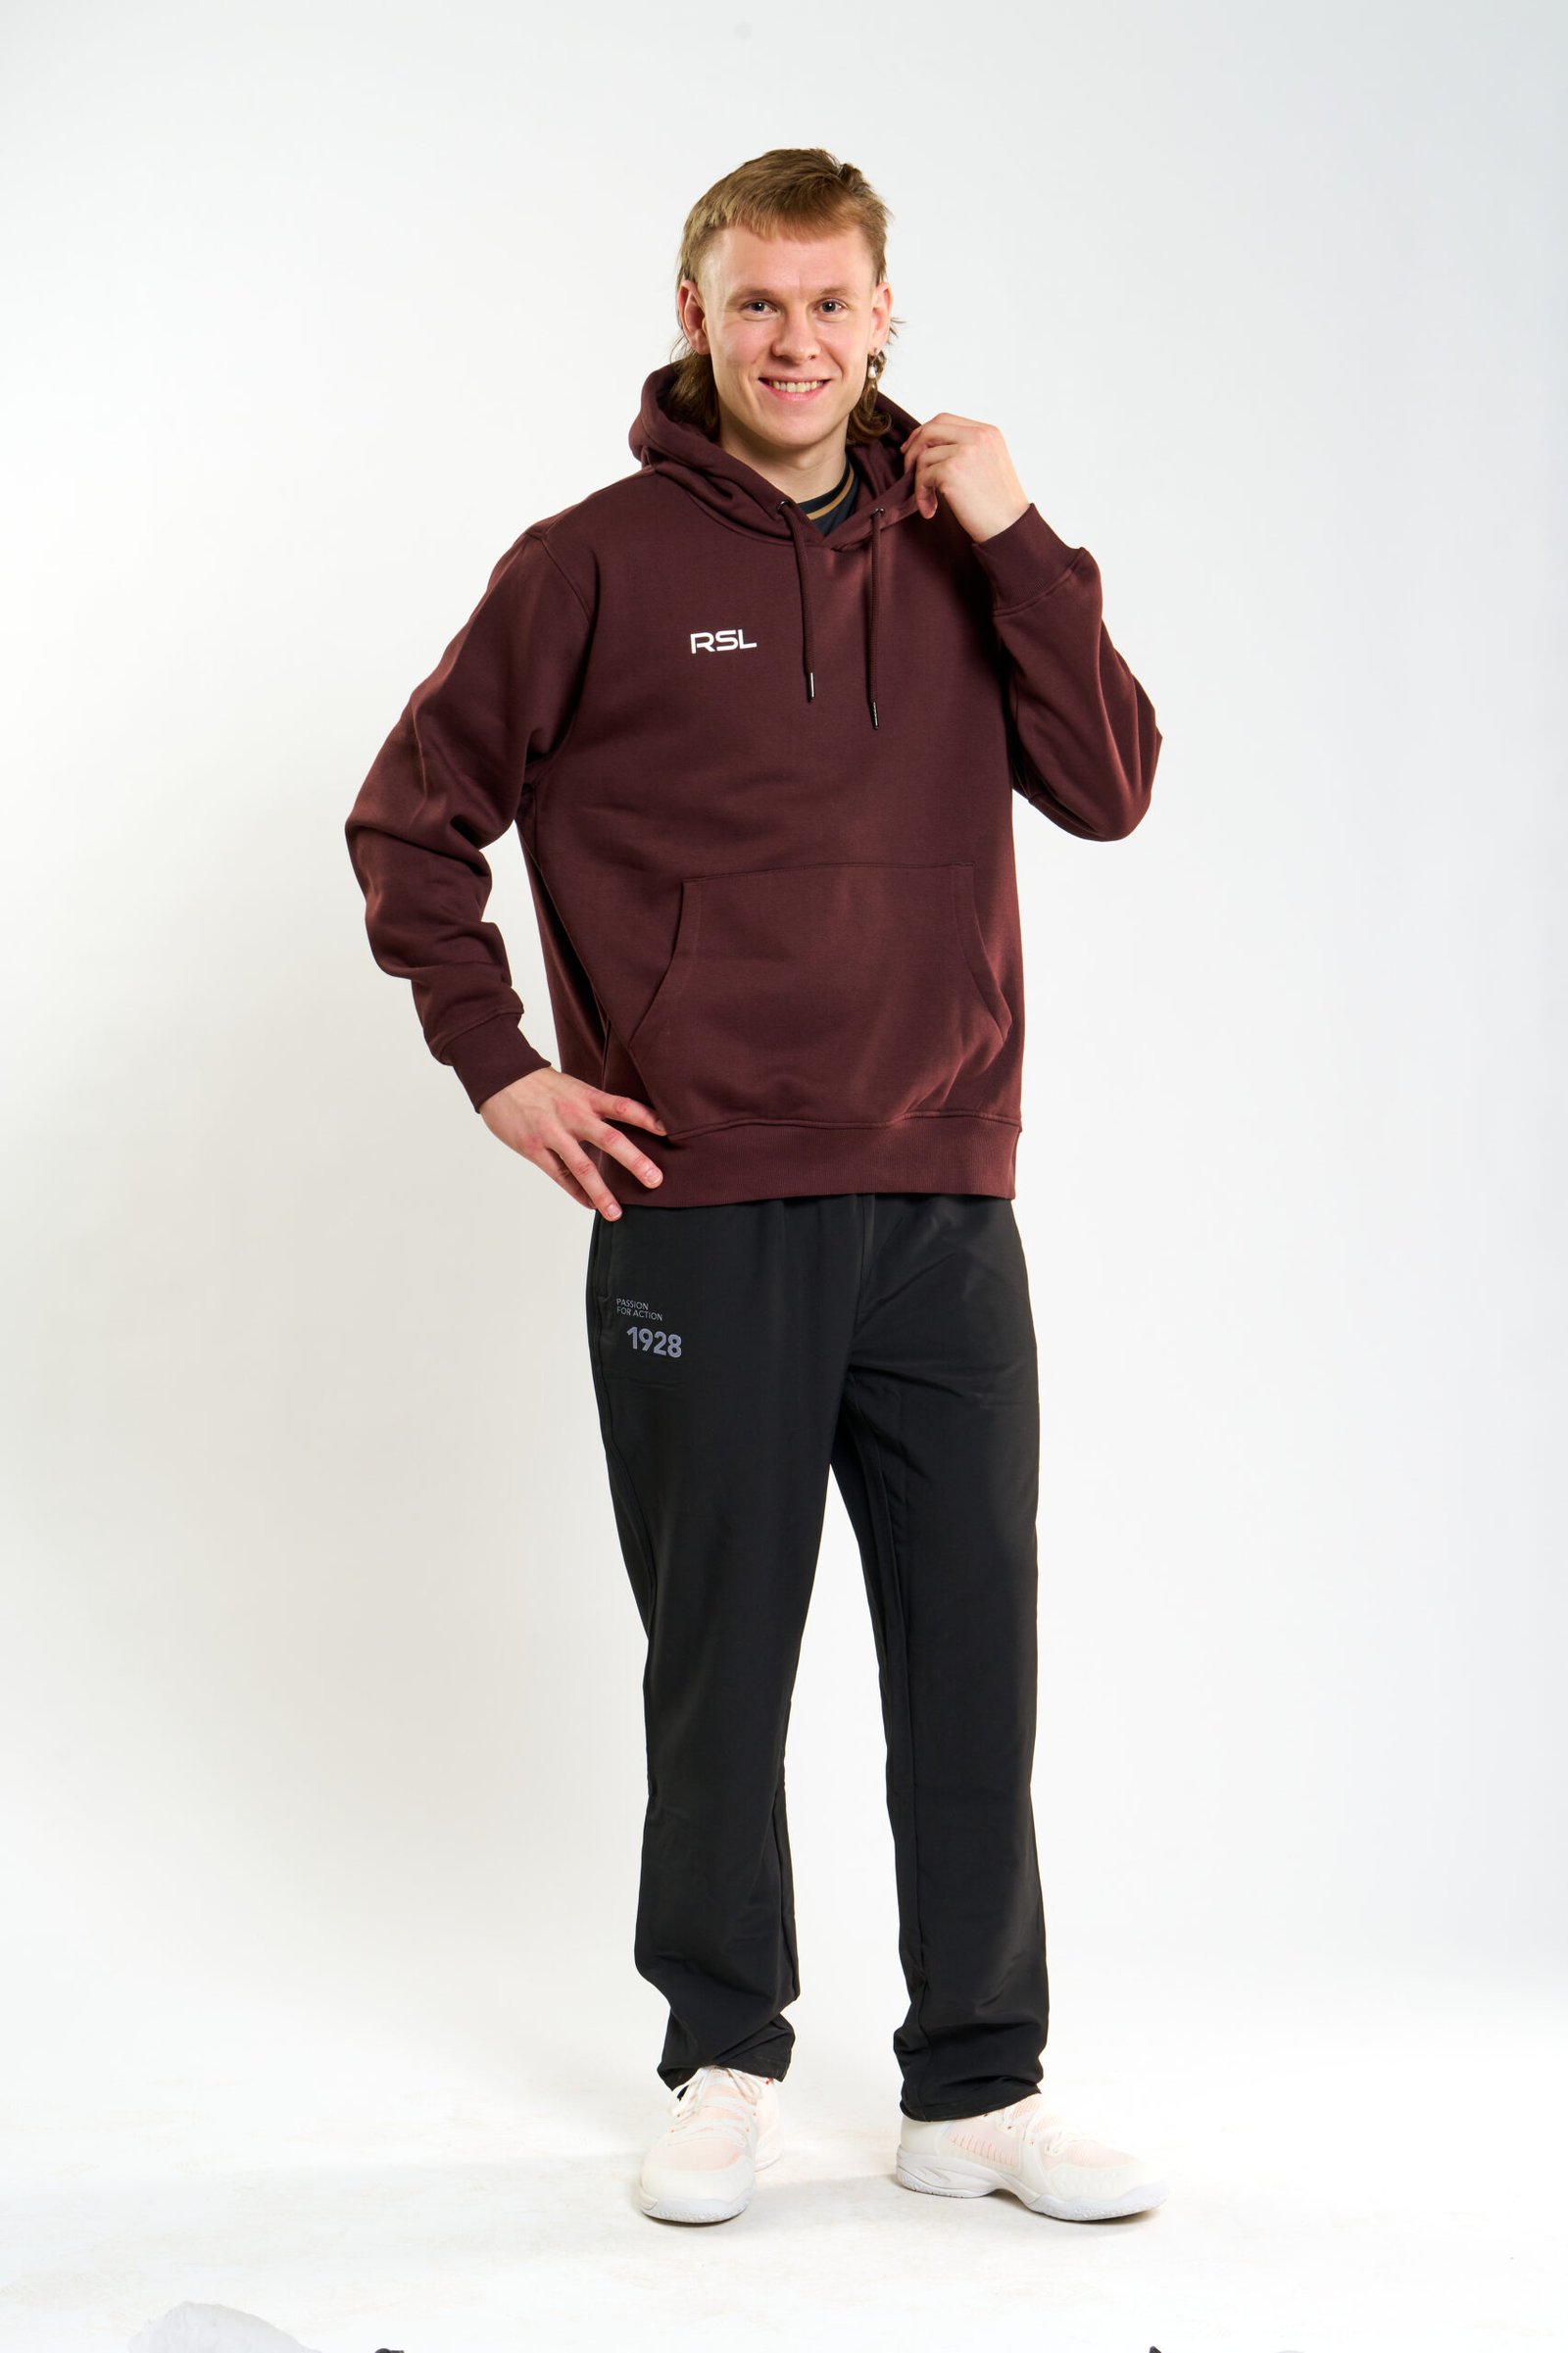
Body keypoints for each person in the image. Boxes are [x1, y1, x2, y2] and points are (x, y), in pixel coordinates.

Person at [345, 147, 1166, 2228]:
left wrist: (1023, 536)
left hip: (946, 1195)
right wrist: (501, 1065)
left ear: (886, 320)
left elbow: (1109, 785)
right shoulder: (589, 564)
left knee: (973, 1652)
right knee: (723, 1657)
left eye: (829, 304)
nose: (793, 342)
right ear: (695, 316)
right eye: (755, 304)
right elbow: (411, 820)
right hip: (698, 1202)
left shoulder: (970, 553)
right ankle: (723, 2058)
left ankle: (976, 2086)